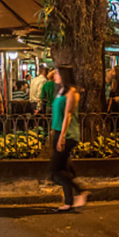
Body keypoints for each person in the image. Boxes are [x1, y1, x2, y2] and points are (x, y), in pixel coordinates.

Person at [50, 65, 88, 211]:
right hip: (58, 132)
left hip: (67, 134)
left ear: (64, 75)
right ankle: (69, 202)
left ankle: (80, 192)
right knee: (63, 168)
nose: (54, 76)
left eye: (57, 73)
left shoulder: (72, 92)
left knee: (55, 171)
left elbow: (68, 115)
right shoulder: (61, 90)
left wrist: (62, 137)